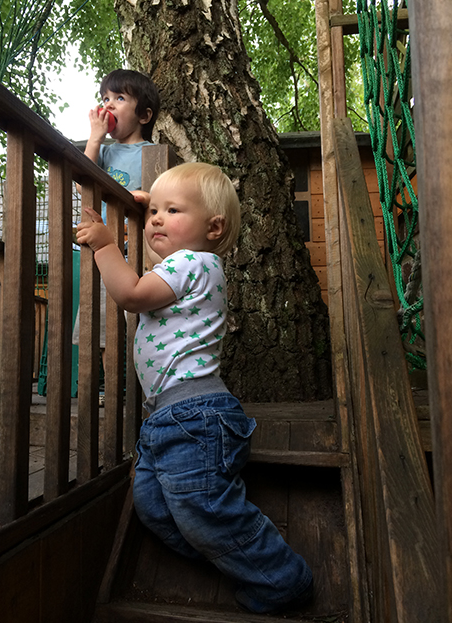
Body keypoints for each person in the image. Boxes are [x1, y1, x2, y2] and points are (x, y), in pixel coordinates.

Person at [75, 162, 313, 614]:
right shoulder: (185, 266)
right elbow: (149, 271)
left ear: (214, 226)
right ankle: (239, 565)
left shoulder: (194, 262)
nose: (156, 220)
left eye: (172, 211)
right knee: (154, 510)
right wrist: (148, 205)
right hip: (166, 423)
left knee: (204, 510)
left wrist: (108, 244)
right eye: (153, 214)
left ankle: (283, 578)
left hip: (194, 419)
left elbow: (131, 294)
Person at [73, 69, 161, 403]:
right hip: (102, 251)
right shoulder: (105, 154)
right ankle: (108, 393)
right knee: (101, 325)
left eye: (119, 98)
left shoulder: (153, 154)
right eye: (105, 99)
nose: (109, 105)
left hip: (135, 252)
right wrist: (94, 138)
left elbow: (160, 197)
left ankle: (138, 394)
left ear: (144, 115)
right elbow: (83, 180)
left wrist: (143, 195)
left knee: (135, 325)